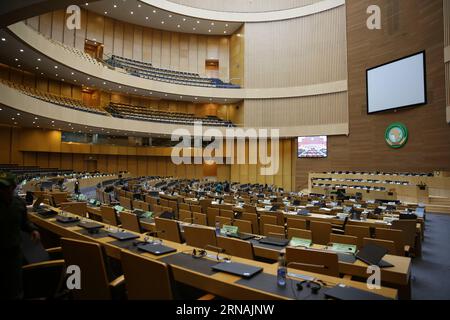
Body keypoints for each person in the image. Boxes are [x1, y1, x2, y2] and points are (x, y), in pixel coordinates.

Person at [0, 172, 40, 300]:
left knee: (15, 286)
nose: (2, 190)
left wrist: (32, 230)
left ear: (13, 187)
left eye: (5, 187)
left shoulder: (19, 204)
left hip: (14, 251)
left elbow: (24, 222)